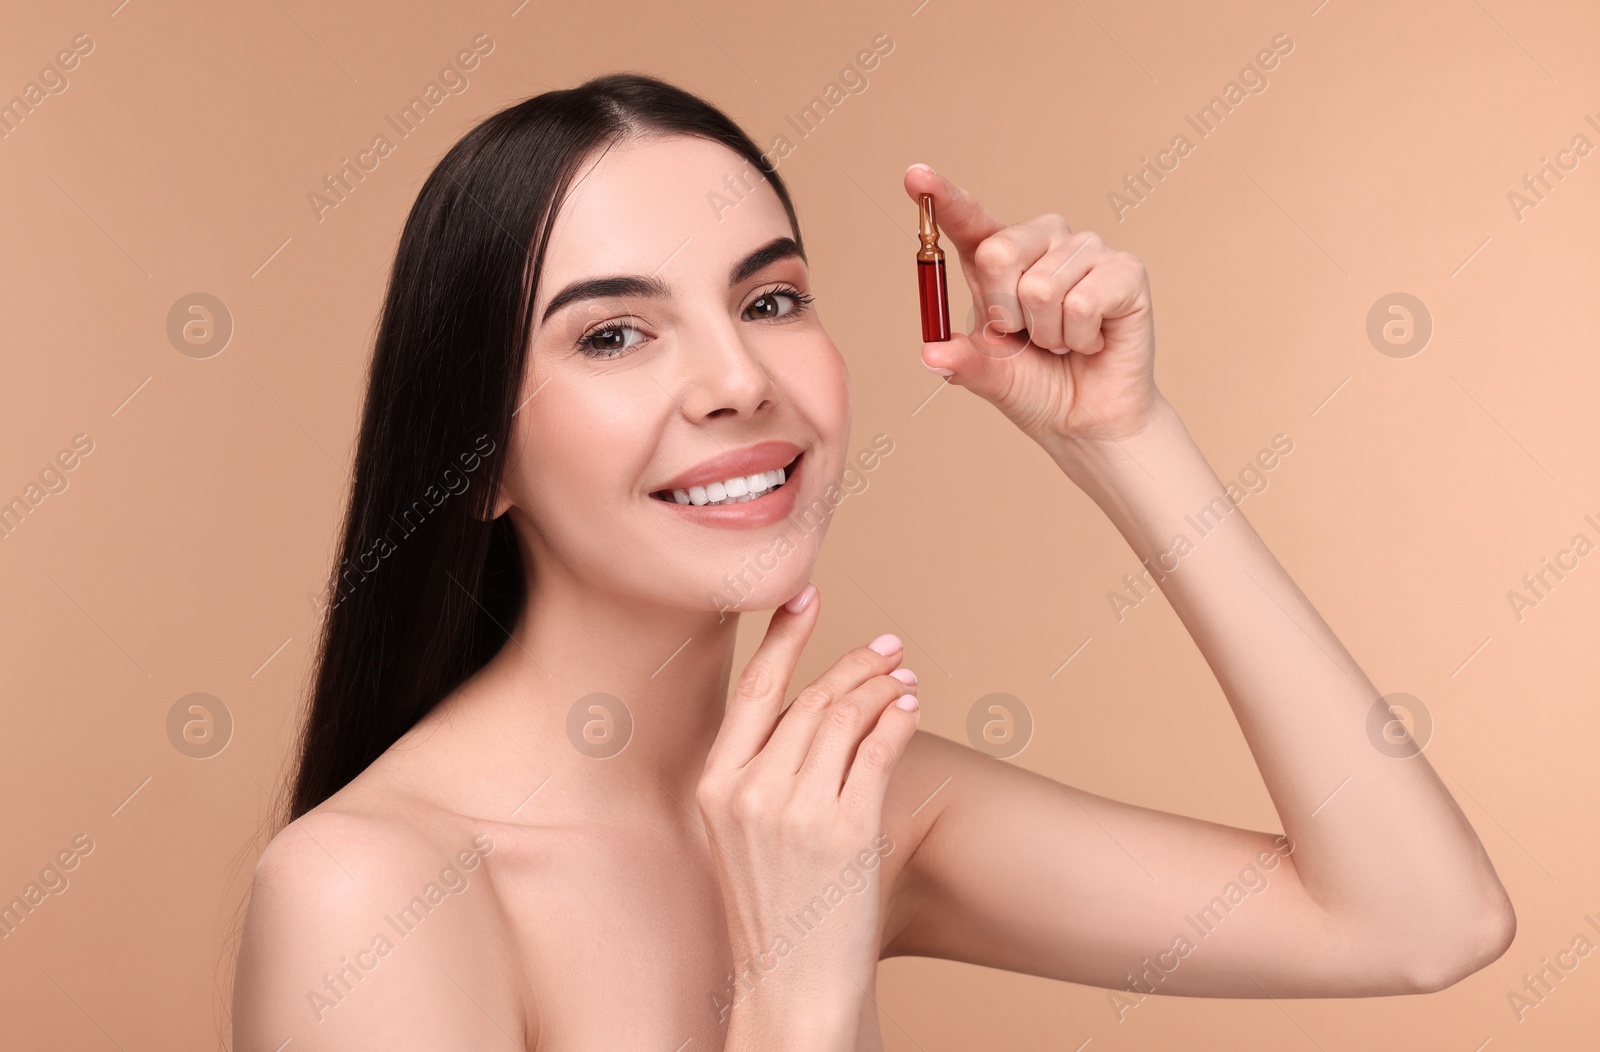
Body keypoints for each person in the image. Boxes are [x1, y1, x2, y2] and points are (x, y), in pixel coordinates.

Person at [230, 72, 1515, 1051]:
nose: (736, 379)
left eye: (770, 298)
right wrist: (795, 985)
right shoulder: (366, 892)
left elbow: (1418, 923)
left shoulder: (840, 812)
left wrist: (1124, 440)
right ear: (481, 460)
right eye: (615, 333)